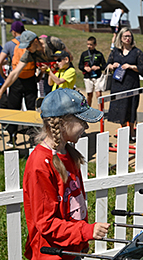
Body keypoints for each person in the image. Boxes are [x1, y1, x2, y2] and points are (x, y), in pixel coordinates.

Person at [22, 88, 110, 260]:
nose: (86, 126)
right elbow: (46, 224)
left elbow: (75, 205)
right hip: (52, 255)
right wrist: (87, 231)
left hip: (71, 249)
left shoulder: (69, 153)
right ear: (62, 123)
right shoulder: (40, 164)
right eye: (82, 121)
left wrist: (82, 241)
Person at [0, 31, 68, 99]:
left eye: (28, 46)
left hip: (64, 78)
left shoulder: (53, 42)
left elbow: (69, 57)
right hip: (49, 79)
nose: (27, 49)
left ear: (35, 41)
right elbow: (15, 72)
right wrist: (1, 91)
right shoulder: (29, 53)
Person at [0, 21, 36, 147]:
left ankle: (12, 137)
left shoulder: (10, 44)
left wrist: (4, 76)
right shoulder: (31, 41)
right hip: (31, 80)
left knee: (13, 109)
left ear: (14, 32)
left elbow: (0, 61)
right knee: (31, 109)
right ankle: (33, 138)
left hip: (16, 80)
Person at [106, 27, 143, 141]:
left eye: (129, 36)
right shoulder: (115, 52)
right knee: (120, 108)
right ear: (121, 38)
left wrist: (131, 66)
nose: (127, 39)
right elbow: (107, 65)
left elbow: (142, 68)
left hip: (132, 84)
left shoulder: (137, 52)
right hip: (118, 84)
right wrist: (112, 66)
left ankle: (132, 132)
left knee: (132, 108)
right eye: (125, 37)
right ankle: (124, 131)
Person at [78, 36, 107, 107]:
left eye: (91, 44)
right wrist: (85, 68)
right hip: (88, 77)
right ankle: (88, 109)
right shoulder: (84, 54)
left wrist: (98, 67)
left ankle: (101, 110)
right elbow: (80, 66)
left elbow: (104, 65)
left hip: (97, 77)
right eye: (88, 44)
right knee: (89, 94)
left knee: (98, 94)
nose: (89, 46)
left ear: (95, 45)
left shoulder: (99, 54)